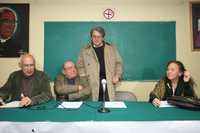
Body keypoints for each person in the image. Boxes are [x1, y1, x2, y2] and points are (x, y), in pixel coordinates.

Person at [77, 26, 123, 101]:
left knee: (108, 105)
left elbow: (119, 63)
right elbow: (80, 67)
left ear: (103, 37)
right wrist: (85, 81)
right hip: (92, 84)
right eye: (94, 36)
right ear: (91, 37)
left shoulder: (112, 49)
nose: (96, 39)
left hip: (109, 82)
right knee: (94, 106)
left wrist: (117, 76)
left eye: (99, 36)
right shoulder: (84, 51)